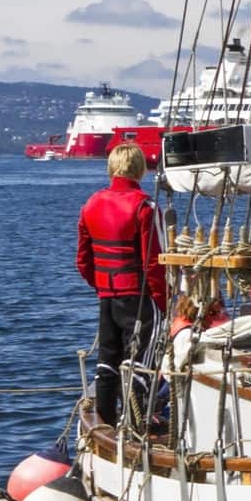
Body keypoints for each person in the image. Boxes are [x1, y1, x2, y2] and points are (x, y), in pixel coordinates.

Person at [76, 143, 165, 427]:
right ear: (141, 169)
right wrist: (164, 301)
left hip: (107, 296)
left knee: (107, 362)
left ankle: (104, 424)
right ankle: (138, 426)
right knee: (141, 362)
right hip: (139, 298)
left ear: (111, 168)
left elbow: (83, 260)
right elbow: (154, 262)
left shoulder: (91, 204)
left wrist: (102, 285)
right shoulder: (145, 207)